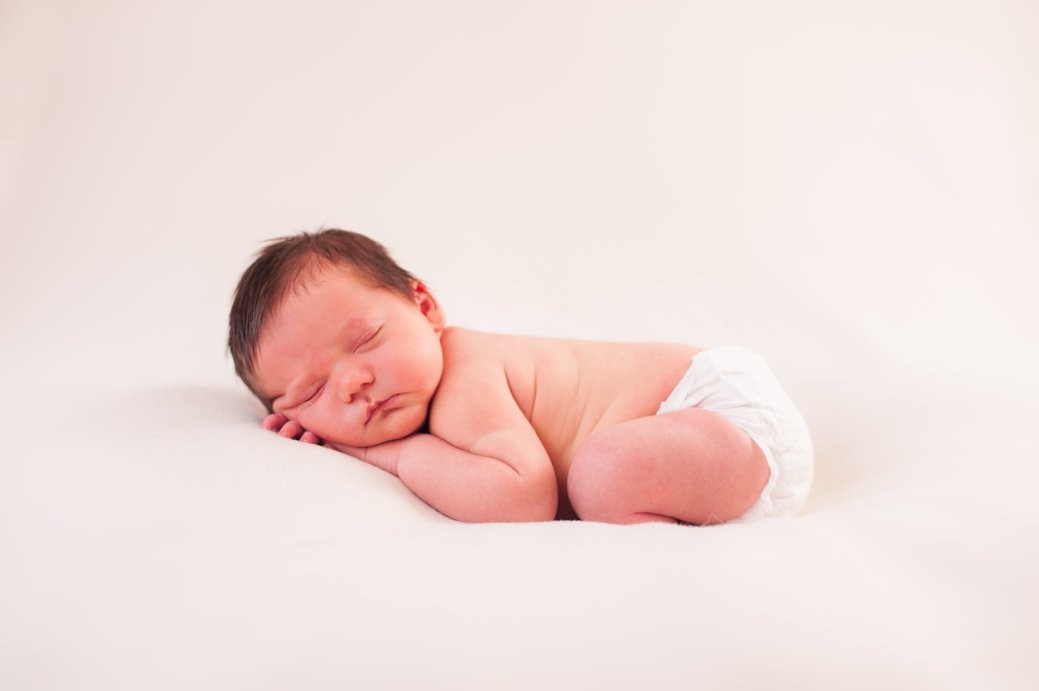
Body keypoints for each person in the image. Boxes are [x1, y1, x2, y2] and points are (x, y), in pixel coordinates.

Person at [228, 229, 814, 524]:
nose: (352, 383)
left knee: (603, 474)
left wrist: (392, 456)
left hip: (723, 416)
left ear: (425, 308)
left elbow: (523, 496)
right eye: (311, 392)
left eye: (365, 341)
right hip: (705, 444)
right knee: (604, 476)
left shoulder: (464, 378)